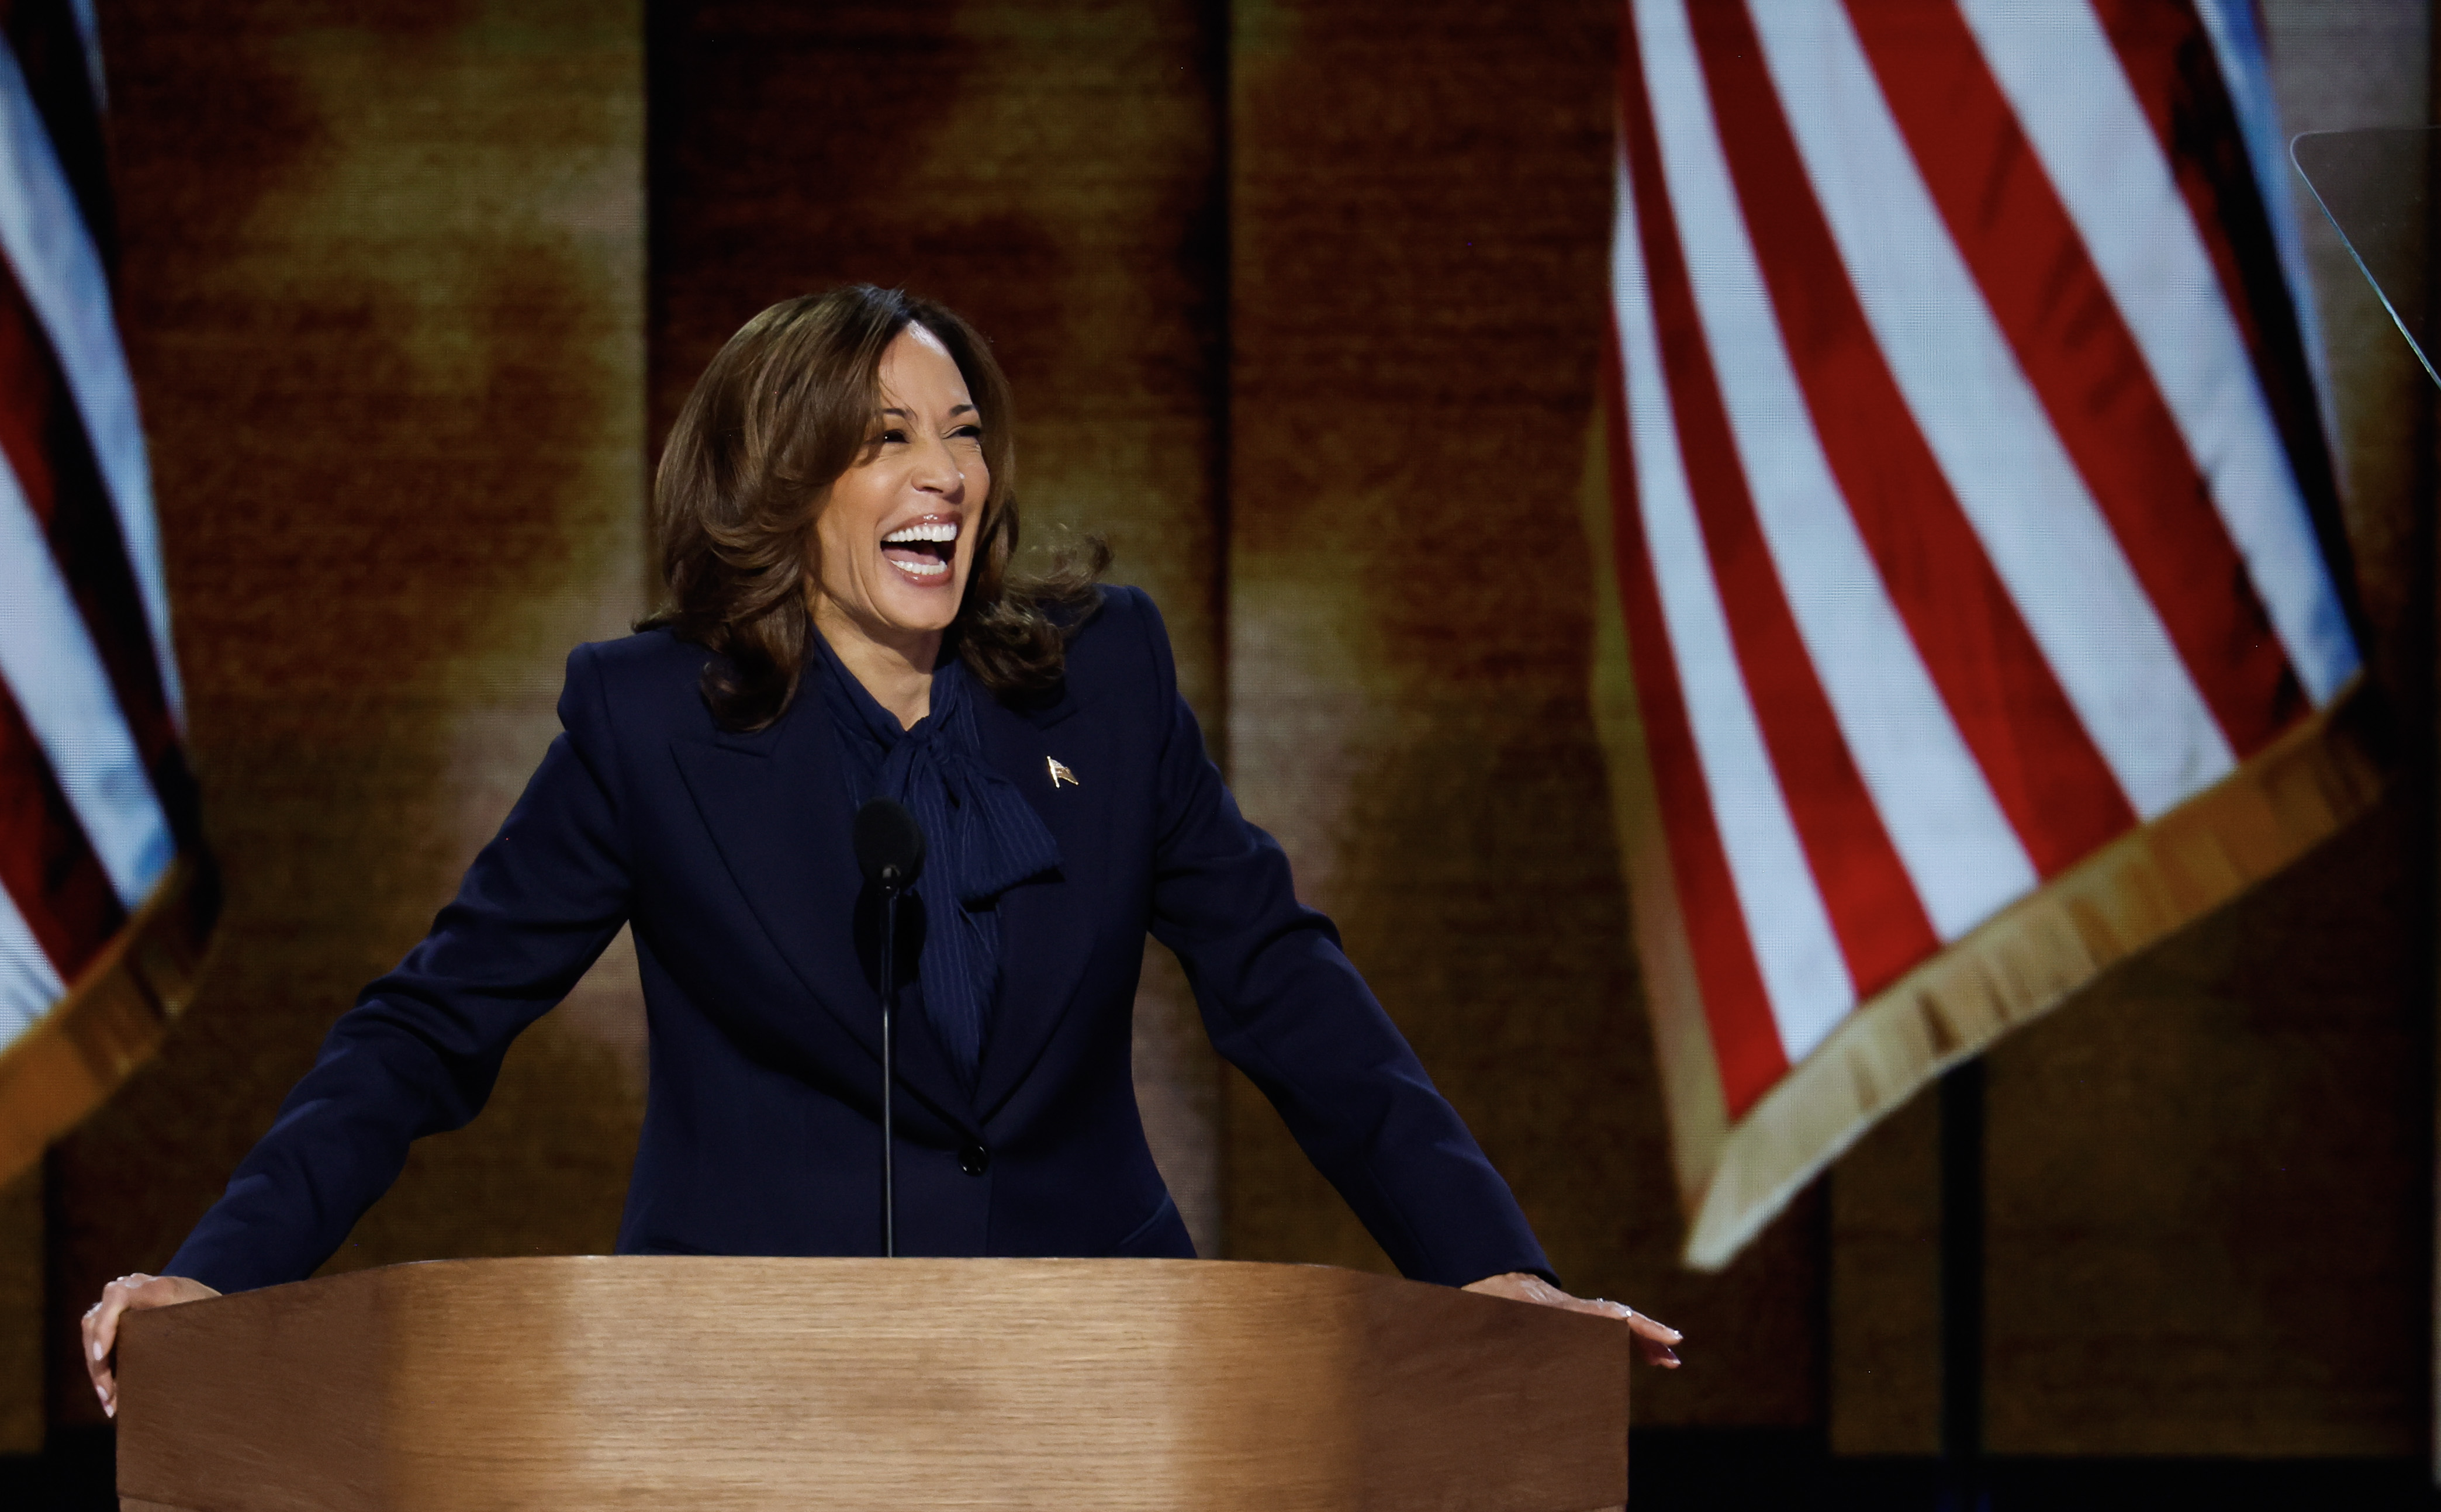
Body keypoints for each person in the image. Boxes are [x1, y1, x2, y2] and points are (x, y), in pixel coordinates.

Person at [83, 285, 1676, 1413]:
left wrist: (1491, 1271)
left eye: (962, 433)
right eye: (883, 440)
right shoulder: (649, 727)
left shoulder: (1102, 678)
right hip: (749, 1377)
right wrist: (218, 1280)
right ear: (779, 489)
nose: (943, 475)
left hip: (1094, 1366)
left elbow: (1282, 984)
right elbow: (432, 1027)